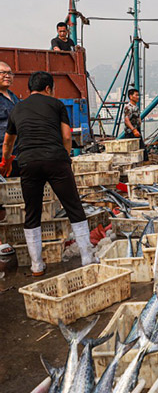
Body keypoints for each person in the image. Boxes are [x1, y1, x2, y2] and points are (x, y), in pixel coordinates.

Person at [0, 71, 97, 275]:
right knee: (73, 207)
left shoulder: (17, 108)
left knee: (32, 211)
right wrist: (66, 156)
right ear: (48, 88)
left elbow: (8, 141)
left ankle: (37, 265)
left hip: (28, 162)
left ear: (29, 89)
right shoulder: (57, 105)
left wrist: (6, 161)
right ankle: (88, 258)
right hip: (55, 160)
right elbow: (66, 136)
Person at [0, 62, 21, 176]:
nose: (7, 76)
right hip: (1, 157)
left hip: (16, 155)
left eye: (10, 73)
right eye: (3, 73)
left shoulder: (13, 96)